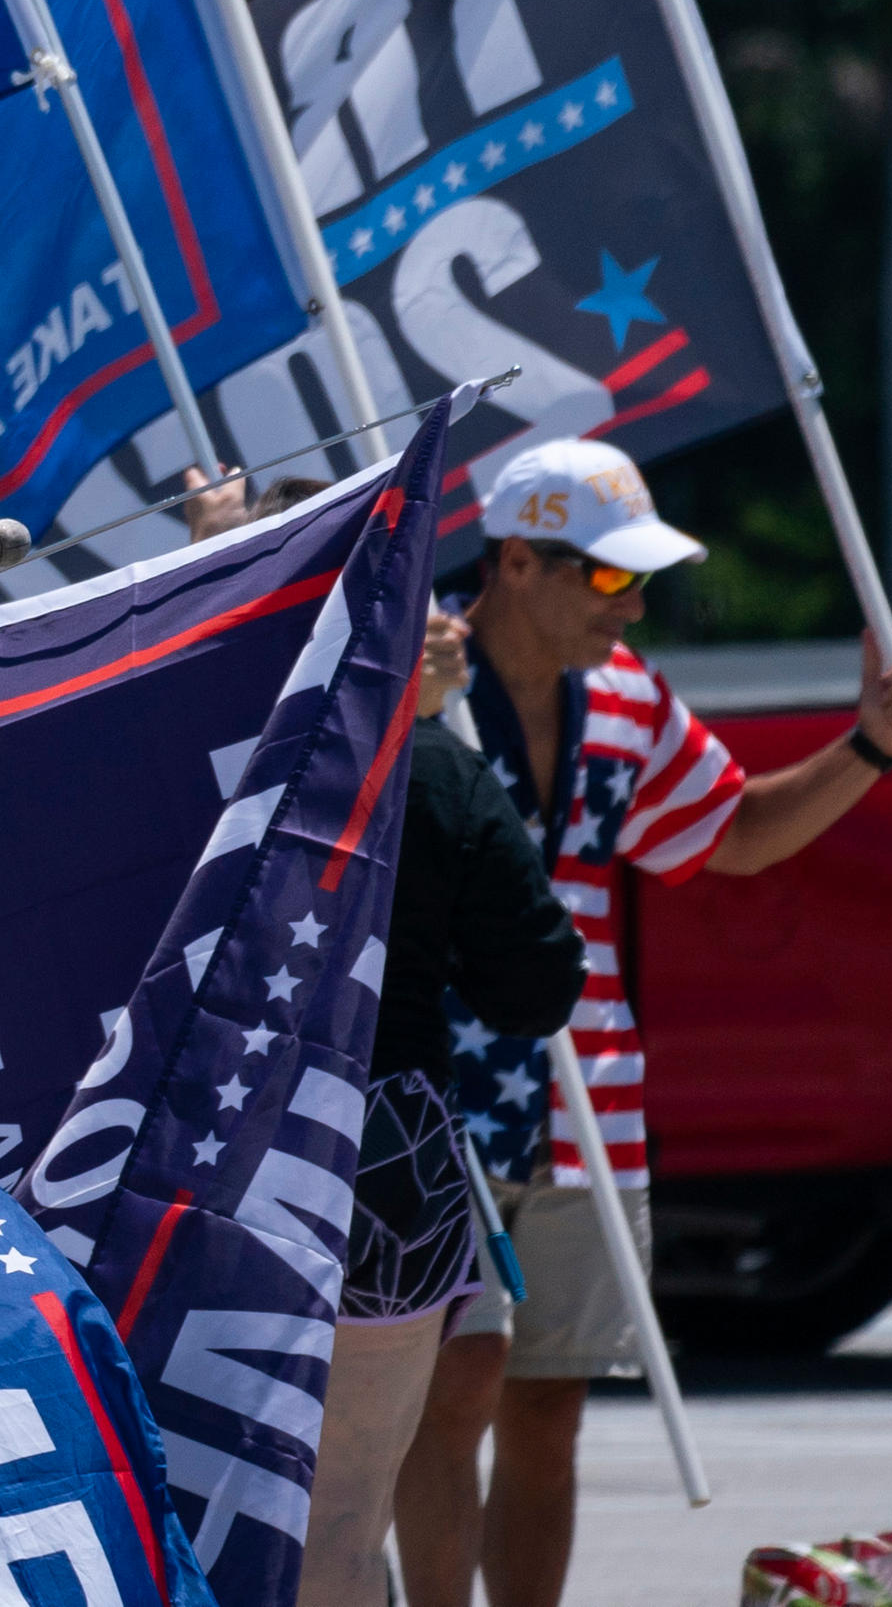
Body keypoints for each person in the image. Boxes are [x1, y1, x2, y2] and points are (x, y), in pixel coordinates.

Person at [395, 438, 892, 1607]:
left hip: (586, 1099)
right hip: (429, 1098)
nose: (633, 603)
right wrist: (398, 710)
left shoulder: (624, 698)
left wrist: (870, 744)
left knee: (547, 1401)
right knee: (450, 1379)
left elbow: (731, 830)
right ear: (516, 562)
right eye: (611, 579)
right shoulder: (403, 674)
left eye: (641, 580)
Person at [296, 604, 578, 1607]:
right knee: (340, 1515)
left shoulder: (176, 747)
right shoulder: (433, 770)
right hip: (381, 1159)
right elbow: (535, 983)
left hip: (180, 1146)